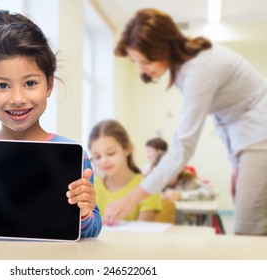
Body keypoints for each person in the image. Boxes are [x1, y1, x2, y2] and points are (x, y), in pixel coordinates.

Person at [0, 10, 102, 238]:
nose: (18, 98)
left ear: (49, 85)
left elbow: (92, 231)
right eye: (3, 86)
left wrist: (84, 212)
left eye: (30, 83)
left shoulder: (74, 156)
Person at [103, 8, 267, 235]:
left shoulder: (199, 70)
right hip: (250, 139)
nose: (143, 69)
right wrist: (238, 163)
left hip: (260, 136)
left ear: (165, 47)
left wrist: (132, 199)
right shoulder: (186, 68)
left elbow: (183, 146)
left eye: (147, 60)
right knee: (252, 225)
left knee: (248, 230)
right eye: (136, 62)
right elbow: (227, 117)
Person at [88, 119, 161, 222]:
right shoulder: (91, 187)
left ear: (127, 149)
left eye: (111, 153)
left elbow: (144, 234)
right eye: (98, 156)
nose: (104, 161)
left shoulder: (147, 187)